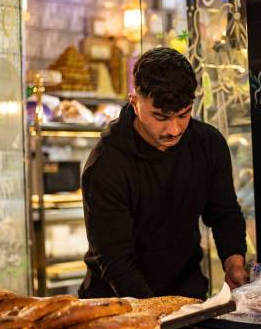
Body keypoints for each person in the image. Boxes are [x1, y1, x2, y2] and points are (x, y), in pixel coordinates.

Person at [79, 47, 248, 299]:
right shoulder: (106, 164)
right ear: (135, 102)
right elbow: (115, 260)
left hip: (186, 295)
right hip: (117, 302)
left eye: (183, 115)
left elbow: (224, 213)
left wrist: (234, 262)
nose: (173, 129)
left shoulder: (208, 144)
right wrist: (157, 314)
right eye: (160, 117)